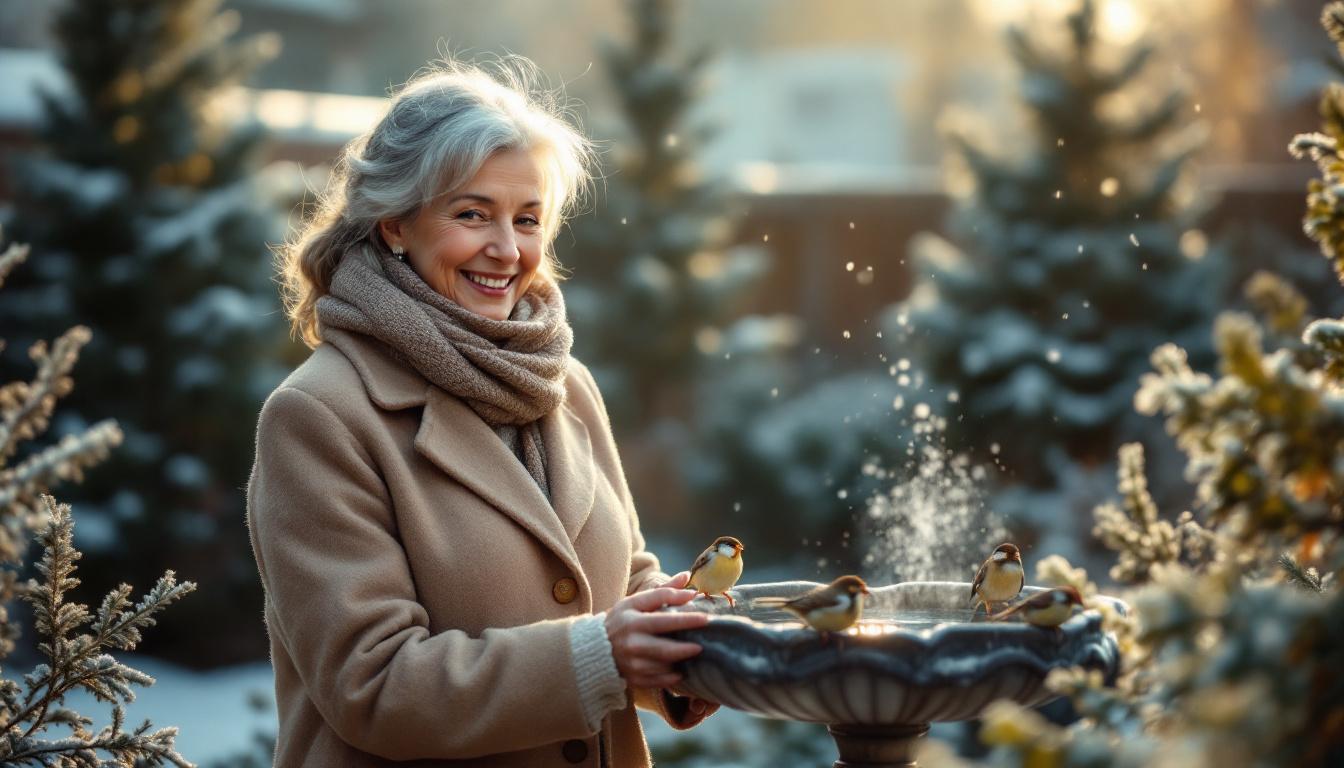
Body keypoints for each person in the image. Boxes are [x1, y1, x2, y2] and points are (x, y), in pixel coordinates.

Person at [247, 58, 719, 767]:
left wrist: (685, 645)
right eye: (472, 214)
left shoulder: (564, 384)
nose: (507, 250)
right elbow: (371, 686)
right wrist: (601, 655)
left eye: (528, 219)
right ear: (395, 224)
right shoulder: (318, 416)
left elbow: (616, 582)